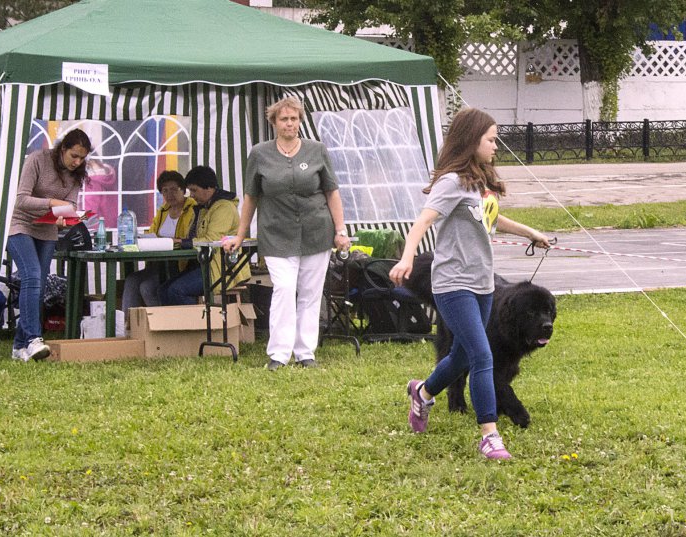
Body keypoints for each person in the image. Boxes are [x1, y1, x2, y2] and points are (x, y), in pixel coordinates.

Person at [389, 108, 551, 460]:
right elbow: (422, 222)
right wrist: (407, 257)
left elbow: (492, 220)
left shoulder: (478, 183)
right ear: (471, 140)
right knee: (481, 355)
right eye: (491, 139)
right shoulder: (450, 183)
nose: (496, 146)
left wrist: (531, 233)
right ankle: (489, 436)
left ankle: (423, 393)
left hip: (483, 284)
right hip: (452, 283)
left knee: (461, 354)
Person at [223, 96, 351, 370]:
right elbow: (250, 197)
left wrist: (340, 230)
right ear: (274, 122)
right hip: (276, 233)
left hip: (316, 231)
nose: (289, 123)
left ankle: (306, 352)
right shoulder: (259, 153)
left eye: (294, 119)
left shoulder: (317, 150)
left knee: (310, 292)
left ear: (300, 121)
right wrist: (239, 235)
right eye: (284, 119)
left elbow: (332, 192)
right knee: (283, 288)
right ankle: (279, 354)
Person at [8, 128, 92, 362]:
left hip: (47, 230)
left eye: (82, 158)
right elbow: (21, 199)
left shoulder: (77, 174)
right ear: (62, 149)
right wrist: (53, 202)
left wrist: (66, 219)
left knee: (39, 284)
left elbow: (70, 206)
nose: (77, 162)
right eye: (74, 155)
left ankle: (18, 347)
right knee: (32, 276)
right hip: (20, 225)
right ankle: (34, 340)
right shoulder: (38, 159)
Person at [158, 165, 248, 305]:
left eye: (194, 190)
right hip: (202, 265)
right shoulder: (202, 208)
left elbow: (212, 240)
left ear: (209, 188)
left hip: (221, 269)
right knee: (162, 290)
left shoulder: (224, 208)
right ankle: (174, 326)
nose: (191, 195)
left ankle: (198, 325)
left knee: (175, 291)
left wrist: (182, 242)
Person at [121, 170, 197, 312]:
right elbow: (152, 233)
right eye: (165, 191)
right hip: (158, 264)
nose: (169, 194)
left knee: (147, 287)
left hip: (180, 265)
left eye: (174, 189)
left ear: (183, 190)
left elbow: (191, 238)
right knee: (131, 279)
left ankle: (161, 326)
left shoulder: (192, 209)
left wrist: (171, 241)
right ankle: (127, 325)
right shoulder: (163, 211)